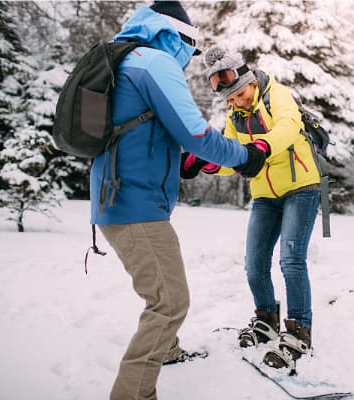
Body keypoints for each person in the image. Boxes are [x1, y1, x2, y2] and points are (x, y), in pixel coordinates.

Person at [89, 3, 266, 399]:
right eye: (190, 47)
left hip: (116, 199)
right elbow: (196, 133)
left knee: (162, 293)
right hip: (135, 206)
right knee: (169, 303)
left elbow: (148, 131)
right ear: (178, 36)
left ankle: (166, 351)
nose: (189, 60)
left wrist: (184, 162)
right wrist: (246, 157)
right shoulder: (154, 62)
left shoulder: (125, 60)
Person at [181, 46, 321, 369]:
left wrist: (260, 146)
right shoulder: (235, 115)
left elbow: (286, 129)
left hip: (301, 188)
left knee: (291, 260)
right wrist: (208, 162)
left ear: (249, 81)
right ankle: (266, 321)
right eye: (229, 99)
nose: (236, 102)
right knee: (254, 263)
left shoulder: (277, 94)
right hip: (264, 195)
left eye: (240, 94)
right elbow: (235, 157)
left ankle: (300, 331)